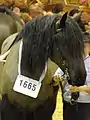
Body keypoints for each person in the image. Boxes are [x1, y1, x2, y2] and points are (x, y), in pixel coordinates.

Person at [53, 32, 90, 120]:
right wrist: (56, 78)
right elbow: (56, 76)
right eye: (80, 45)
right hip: (68, 101)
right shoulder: (68, 61)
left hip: (85, 104)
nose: (82, 48)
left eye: (85, 45)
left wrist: (79, 89)